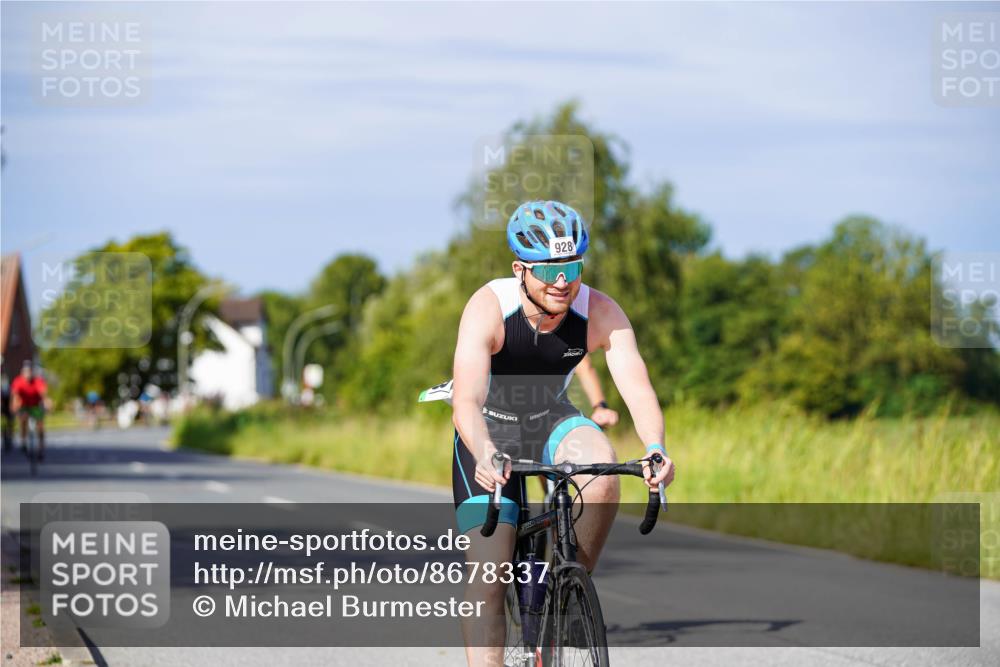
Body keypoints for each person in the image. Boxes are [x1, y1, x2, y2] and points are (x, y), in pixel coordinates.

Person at [451, 200, 676, 665]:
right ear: (520, 269)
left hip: (551, 416)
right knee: (489, 573)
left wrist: (655, 448)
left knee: (604, 479)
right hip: (490, 428)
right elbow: (466, 403)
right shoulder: (489, 307)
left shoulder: (599, 310)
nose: (562, 281)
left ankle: (567, 589)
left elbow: (636, 384)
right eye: (549, 269)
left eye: (572, 267)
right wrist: (485, 451)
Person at [10, 361, 51, 461]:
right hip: (23, 405)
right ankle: (23, 442)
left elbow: (44, 394)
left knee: (40, 426)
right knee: (23, 418)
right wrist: (15, 405)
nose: (28, 374)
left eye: (30, 372)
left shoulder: (37, 381)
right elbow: (15, 395)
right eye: (26, 372)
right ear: (22, 372)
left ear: (32, 372)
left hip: (35, 405)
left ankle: (40, 450)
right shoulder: (18, 381)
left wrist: (47, 403)